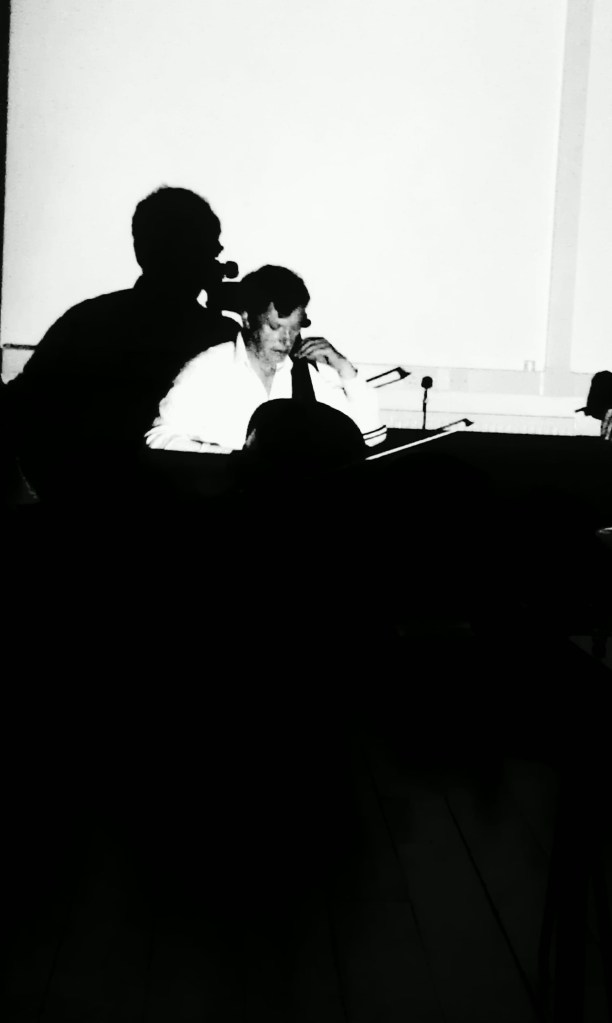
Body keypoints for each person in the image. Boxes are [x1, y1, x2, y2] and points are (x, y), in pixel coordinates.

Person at [5, 186, 239, 501]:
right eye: (209, 244)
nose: (218, 250)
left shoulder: (85, 320)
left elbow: (22, 411)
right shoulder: (218, 334)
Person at [145, 264, 386, 454]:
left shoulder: (306, 375)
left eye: (294, 328)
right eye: (274, 327)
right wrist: (226, 457)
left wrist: (344, 368)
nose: (286, 340)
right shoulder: (208, 368)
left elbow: (371, 437)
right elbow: (158, 438)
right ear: (247, 318)